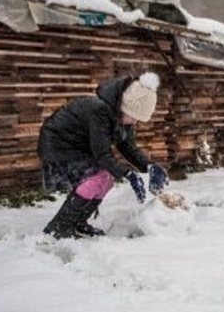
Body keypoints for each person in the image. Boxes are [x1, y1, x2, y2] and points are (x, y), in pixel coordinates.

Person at [37, 72, 169, 239]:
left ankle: (78, 222)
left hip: (80, 147)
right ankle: (59, 227)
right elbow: (102, 154)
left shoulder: (122, 117)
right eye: (134, 117)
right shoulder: (99, 110)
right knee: (97, 177)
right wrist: (128, 173)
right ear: (125, 106)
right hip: (59, 145)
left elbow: (127, 146)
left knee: (107, 180)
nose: (135, 122)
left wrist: (149, 166)